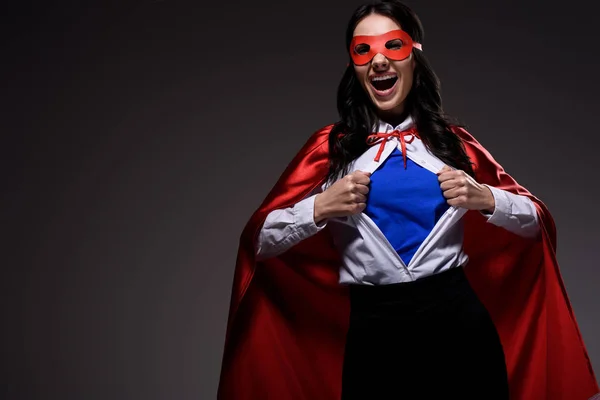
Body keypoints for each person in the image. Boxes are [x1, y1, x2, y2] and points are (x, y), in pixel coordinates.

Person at [217, 1, 599, 399]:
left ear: (414, 57)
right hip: (374, 335)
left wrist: (485, 197)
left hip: (461, 330)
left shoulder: (452, 144)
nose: (379, 60)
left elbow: (537, 222)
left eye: (392, 46)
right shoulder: (330, 150)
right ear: (354, 66)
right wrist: (318, 207)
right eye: (364, 50)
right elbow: (257, 241)